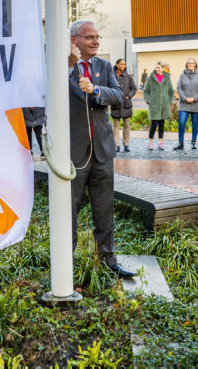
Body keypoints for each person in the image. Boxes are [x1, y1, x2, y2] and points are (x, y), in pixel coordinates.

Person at [68, 19, 134, 278]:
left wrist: (95, 90)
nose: (96, 41)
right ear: (75, 41)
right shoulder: (63, 68)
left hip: (103, 151)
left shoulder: (105, 66)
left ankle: (108, 259)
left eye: (97, 37)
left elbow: (118, 96)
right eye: (89, 37)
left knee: (104, 208)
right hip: (73, 154)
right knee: (68, 210)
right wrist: (69, 65)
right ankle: (65, 262)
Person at [175, 58, 198, 150]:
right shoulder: (182, 76)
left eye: (192, 63)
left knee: (195, 123)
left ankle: (193, 142)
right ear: (186, 64)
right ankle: (181, 143)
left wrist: (194, 98)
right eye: (189, 63)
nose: (190, 64)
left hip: (196, 103)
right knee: (181, 122)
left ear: (195, 64)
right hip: (184, 104)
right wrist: (185, 98)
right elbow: (179, 88)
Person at [143, 61, 174, 150]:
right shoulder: (150, 78)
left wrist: (169, 101)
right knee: (154, 123)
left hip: (164, 105)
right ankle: (150, 142)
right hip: (154, 105)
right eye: (156, 67)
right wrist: (148, 100)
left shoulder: (167, 78)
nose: (157, 69)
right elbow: (146, 91)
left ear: (163, 68)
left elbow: (171, 92)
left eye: (159, 68)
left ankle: (160, 143)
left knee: (162, 124)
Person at [110, 59, 136, 153]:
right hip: (115, 104)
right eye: (121, 64)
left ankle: (126, 144)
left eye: (124, 64)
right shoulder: (112, 76)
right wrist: (112, 96)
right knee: (115, 125)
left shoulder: (129, 77)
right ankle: (116, 145)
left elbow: (134, 89)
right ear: (117, 64)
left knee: (126, 125)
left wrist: (129, 96)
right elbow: (108, 87)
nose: (123, 66)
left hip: (126, 105)